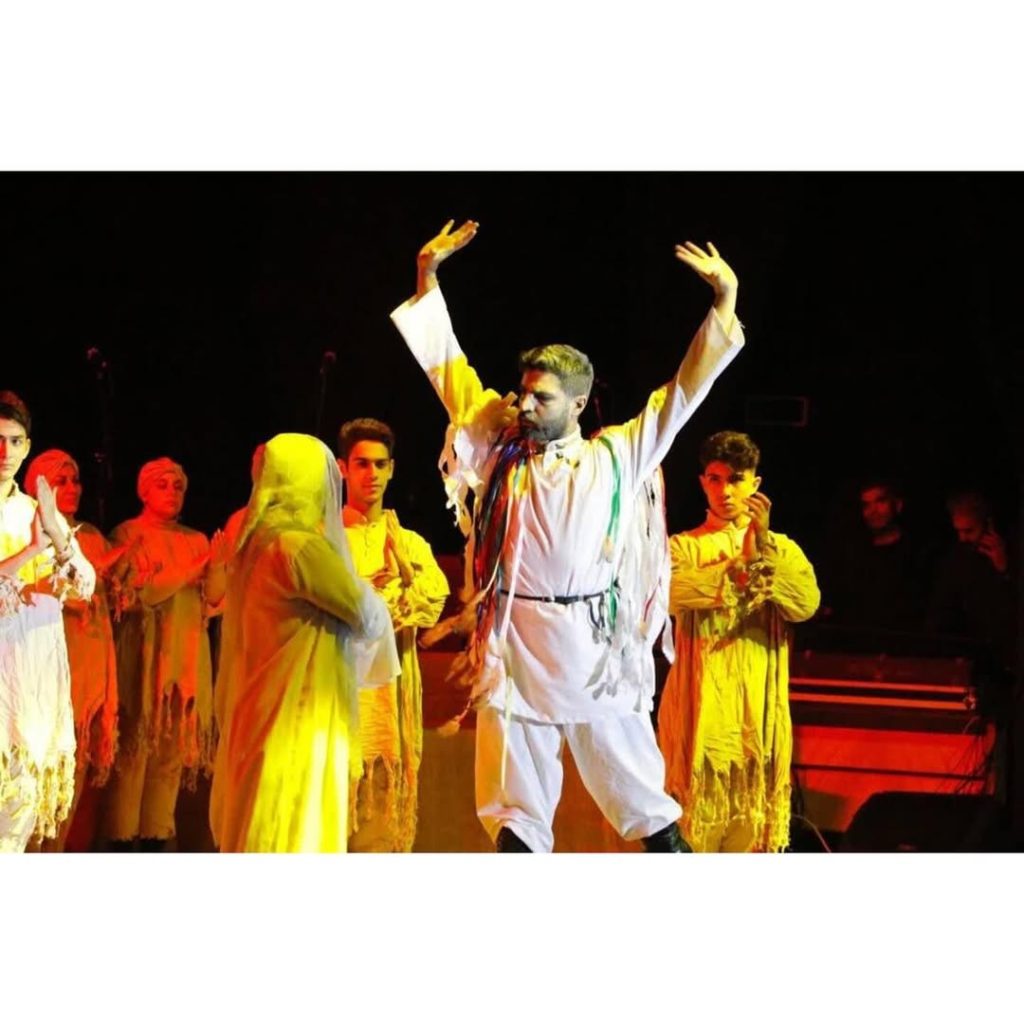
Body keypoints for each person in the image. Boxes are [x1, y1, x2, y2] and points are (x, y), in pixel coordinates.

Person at [390, 220, 745, 853]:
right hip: (515, 643)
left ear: (578, 404)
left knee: (640, 799)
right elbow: (451, 375)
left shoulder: (618, 455)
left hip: (592, 647)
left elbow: (683, 393)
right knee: (514, 809)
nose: (525, 406)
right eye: (525, 393)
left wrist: (724, 302)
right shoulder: (499, 447)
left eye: (542, 398)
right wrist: (427, 278)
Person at [209, 433, 398, 852]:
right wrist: (377, 594)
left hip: (263, 708)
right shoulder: (297, 547)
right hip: (295, 713)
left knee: (264, 821)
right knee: (292, 825)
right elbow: (365, 613)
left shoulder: (256, 541)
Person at [657, 431, 820, 852]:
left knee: (751, 840)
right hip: (701, 717)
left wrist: (761, 547)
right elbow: (666, 593)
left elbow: (805, 603)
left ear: (755, 484)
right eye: (715, 479)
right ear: (702, 482)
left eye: (735, 479)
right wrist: (739, 566)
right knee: (693, 835)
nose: (725, 491)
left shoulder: (781, 549)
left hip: (757, 720)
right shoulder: (682, 547)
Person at [338, 417, 449, 852]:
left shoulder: (410, 544)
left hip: (387, 699)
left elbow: (432, 599)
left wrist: (376, 599)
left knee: (378, 830)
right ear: (343, 469)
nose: (372, 474)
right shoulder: (325, 540)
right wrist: (382, 595)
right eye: (361, 464)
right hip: (336, 697)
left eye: (380, 464)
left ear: (392, 470)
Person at [0, 392, 96, 852]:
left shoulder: (37, 511)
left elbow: (85, 584)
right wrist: (34, 551)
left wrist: (57, 536)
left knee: (16, 815)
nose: (4, 452)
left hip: (31, 676)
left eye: (15, 441)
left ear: (27, 446)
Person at [102, 457, 213, 851]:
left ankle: (156, 838)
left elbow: (214, 598)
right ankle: (120, 840)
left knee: (169, 756)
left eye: (178, 486)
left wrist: (219, 567)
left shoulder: (196, 540)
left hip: (184, 659)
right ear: (144, 491)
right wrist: (192, 570)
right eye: (162, 485)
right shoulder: (127, 534)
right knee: (133, 752)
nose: (171, 492)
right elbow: (141, 594)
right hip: (143, 659)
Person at [24, 449, 126, 851]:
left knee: (76, 771)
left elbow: (100, 596)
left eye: (76, 480)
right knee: (38, 781)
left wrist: (118, 585)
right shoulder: (28, 531)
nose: (72, 488)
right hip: (49, 667)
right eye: (60, 481)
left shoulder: (92, 537)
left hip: (89, 669)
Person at [823, 478, 929, 633]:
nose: (873, 511)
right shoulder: (852, 555)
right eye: (866, 505)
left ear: (898, 505)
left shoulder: (919, 554)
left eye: (880, 501)